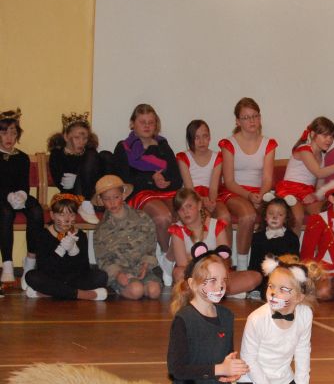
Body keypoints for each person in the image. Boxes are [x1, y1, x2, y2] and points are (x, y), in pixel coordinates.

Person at [164, 243, 268, 384]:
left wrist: (231, 371)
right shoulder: (184, 319)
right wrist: (219, 369)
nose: (220, 286)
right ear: (193, 284)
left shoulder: (226, 316)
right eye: (212, 281)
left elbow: (226, 356)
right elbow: (176, 369)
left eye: (223, 280)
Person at [237, 255, 322, 384]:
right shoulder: (257, 319)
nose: (273, 293)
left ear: (299, 297)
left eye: (283, 289)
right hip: (253, 381)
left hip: (283, 380)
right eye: (271, 286)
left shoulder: (305, 314)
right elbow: (249, 359)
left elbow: (303, 349)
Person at [111, 104, 182, 255]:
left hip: (166, 193)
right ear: (132, 124)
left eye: (151, 122)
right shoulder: (124, 147)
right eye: (142, 122)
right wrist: (151, 179)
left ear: (156, 124)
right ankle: (166, 258)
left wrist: (165, 182)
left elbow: (177, 178)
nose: (147, 126)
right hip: (139, 194)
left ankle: (178, 257)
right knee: (163, 217)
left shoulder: (163, 146)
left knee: (182, 215)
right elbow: (123, 181)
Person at [168, 188, 261, 297]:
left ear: (199, 205)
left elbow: (225, 259)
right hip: (194, 276)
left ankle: (210, 292)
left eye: (189, 206)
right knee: (179, 273)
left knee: (255, 277)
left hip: (216, 275)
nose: (185, 212)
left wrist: (214, 275)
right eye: (181, 209)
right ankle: (218, 292)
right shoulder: (177, 230)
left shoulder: (216, 225)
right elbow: (184, 265)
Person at [219, 97, 277, 271]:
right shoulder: (229, 144)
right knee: (248, 215)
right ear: (238, 121)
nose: (252, 121)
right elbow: (229, 181)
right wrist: (249, 196)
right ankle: (242, 266)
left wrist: (261, 195)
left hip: (260, 191)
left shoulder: (268, 143)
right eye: (246, 117)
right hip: (235, 192)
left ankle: (272, 263)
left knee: (278, 214)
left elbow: (267, 179)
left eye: (255, 116)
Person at [277, 117, 334, 235]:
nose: (329, 140)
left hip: (307, 192)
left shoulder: (323, 157)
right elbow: (318, 172)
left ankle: (319, 245)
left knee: (324, 213)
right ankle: (291, 246)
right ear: (313, 134)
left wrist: (315, 195)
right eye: (325, 136)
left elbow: (319, 184)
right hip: (290, 190)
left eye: (331, 137)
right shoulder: (304, 149)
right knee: (298, 216)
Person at [24, 193, 107, 300]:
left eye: (71, 215)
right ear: (52, 215)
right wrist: (61, 250)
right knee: (31, 276)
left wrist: (74, 251)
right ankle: (84, 295)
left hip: (73, 279)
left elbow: (83, 268)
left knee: (101, 276)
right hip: (52, 277)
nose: (67, 219)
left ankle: (49, 293)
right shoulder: (43, 235)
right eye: (61, 214)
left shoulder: (80, 235)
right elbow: (45, 268)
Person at [93, 175, 162, 300]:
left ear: (123, 195)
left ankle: (141, 284)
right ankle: (123, 288)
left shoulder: (142, 218)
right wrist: (117, 274)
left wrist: (145, 265)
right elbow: (103, 259)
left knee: (154, 291)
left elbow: (150, 246)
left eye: (116, 197)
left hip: (143, 269)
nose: (112, 202)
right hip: (121, 274)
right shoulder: (101, 229)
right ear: (101, 201)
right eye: (107, 199)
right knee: (136, 290)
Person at [0, 108, 44, 289]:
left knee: (36, 210)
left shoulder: (22, 157)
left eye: (13, 133)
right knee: (6, 212)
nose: (9, 137)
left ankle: (30, 263)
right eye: (4, 133)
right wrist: (7, 195)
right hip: (1, 197)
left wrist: (22, 195)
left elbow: (23, 183)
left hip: (18, 195)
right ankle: (7, 263)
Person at [176, 119, 233, 248]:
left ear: (209, 137)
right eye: (196, 138)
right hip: (191, 197)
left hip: (210, 196)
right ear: (190, 139)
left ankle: (226, 254)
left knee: (225, 216)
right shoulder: (183, 157)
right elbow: (189, 188)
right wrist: (201, 201)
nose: (201, 141)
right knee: (203, 217)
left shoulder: (217, 157)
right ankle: (202, 254)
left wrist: (211, 202)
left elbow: (213, 187)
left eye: (205, 136)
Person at [47, 111, 102, 224]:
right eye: (77, 138)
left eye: (85, 138)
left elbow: (96, 179)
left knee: (105, 155)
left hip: (92, 198)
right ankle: (85, 204)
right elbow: (62, 184)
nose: (81, 142)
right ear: (66, 136)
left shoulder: (90, 154)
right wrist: (73, 180)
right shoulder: (57, 154)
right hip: (70, 197)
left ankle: (93, 202)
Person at [249, 196, 300, 298]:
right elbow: (254, 263)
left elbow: (294, 263)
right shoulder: (257, 237)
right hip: (263, 278)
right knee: (265, 292)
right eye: (271, 213)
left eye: (280, 215)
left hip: (283, 277)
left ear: (286, 219)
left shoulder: (292, 238)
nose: (274, 217)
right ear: (265, 216)